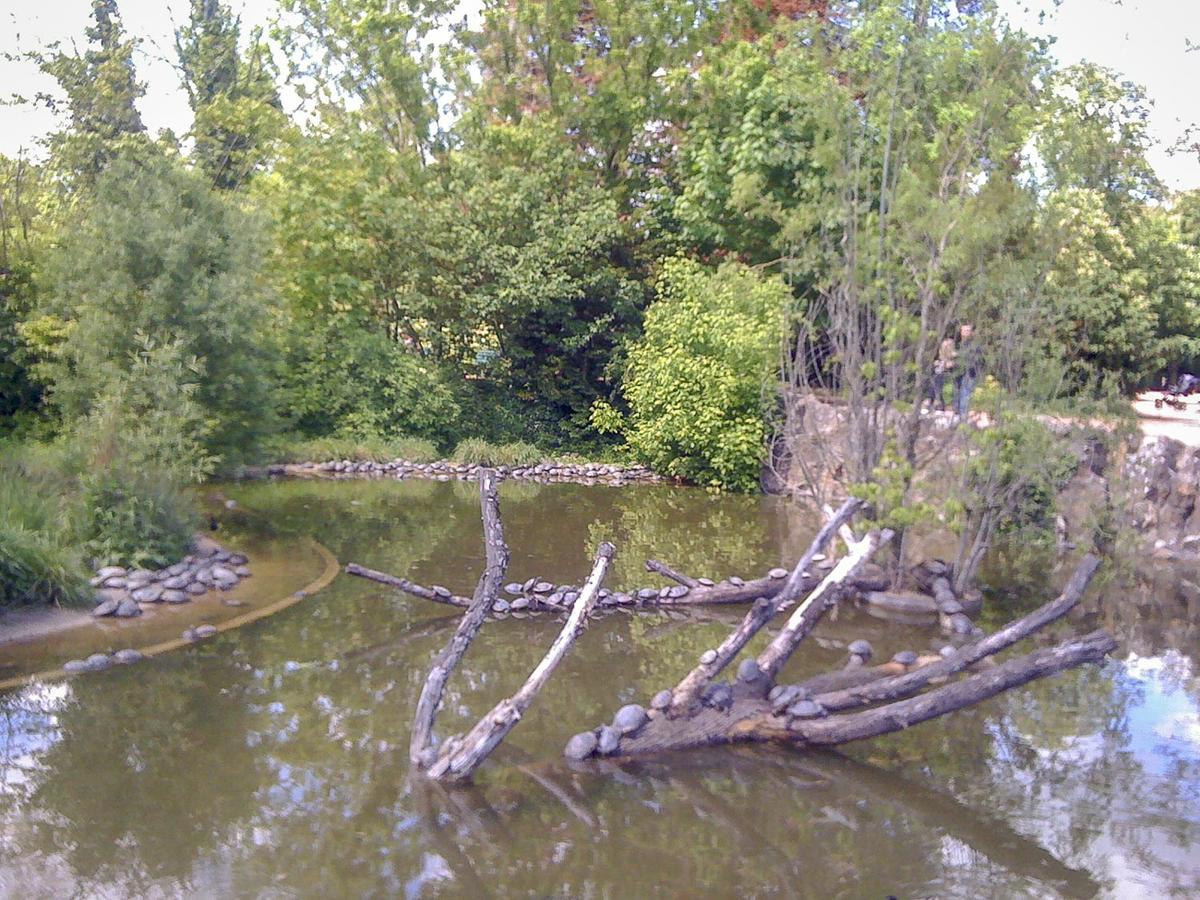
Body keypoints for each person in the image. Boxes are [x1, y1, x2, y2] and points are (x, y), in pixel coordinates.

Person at [953, 322, 982, 419]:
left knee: (965, 392)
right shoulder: (958, 344)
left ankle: (963, 415)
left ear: (971, 332)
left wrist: (958, 356)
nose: (965, 333)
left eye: (967, 331)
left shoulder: (975, 345)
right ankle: (956, 413)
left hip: (970, 372)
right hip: (958, 372)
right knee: (957, 392)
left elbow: (975, 358)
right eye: (963, 330)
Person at [927, 334, 957, 411]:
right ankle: (931, 401)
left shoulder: (954, 356)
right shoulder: (939, 357)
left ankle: (940, 404)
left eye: (947, 346)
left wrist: (948, 364)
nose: (945, 348)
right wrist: (936, 363)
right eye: (944, 346)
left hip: (947, 377)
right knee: (934, 383)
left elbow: (951, 366)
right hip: (937, 376)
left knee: (940, 384)